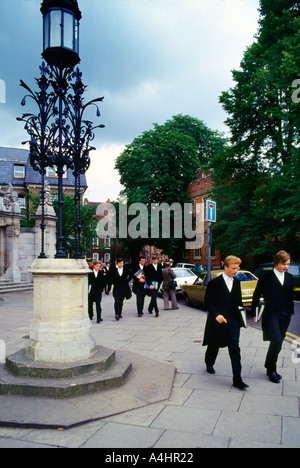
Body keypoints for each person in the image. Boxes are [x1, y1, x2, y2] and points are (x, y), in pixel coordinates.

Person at [203, 255, 249, 390]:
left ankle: (237, 379)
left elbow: (238, 303)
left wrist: (243, 317)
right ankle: (209, 362)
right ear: (226, 267)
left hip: (233, 322)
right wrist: (216, 315)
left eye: (237, 268)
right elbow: (208, 302)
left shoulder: (237, 283)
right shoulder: (214, 283)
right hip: (217, 321)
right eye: (233, 268)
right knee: (214, 345)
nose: (236, 271)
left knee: (235, 348)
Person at [251, 250, 294, 384]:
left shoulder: (290, 277)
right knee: (275, 340)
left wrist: (289, 311)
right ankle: (272, 370)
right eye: (283, 264)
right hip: (271, 314)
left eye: (287, 264)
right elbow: (257, 295)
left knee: (279, 342)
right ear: (276, 263)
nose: (285, 267)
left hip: (285, 314)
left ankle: (269, 365)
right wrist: (254, 312)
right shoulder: (266, 277)